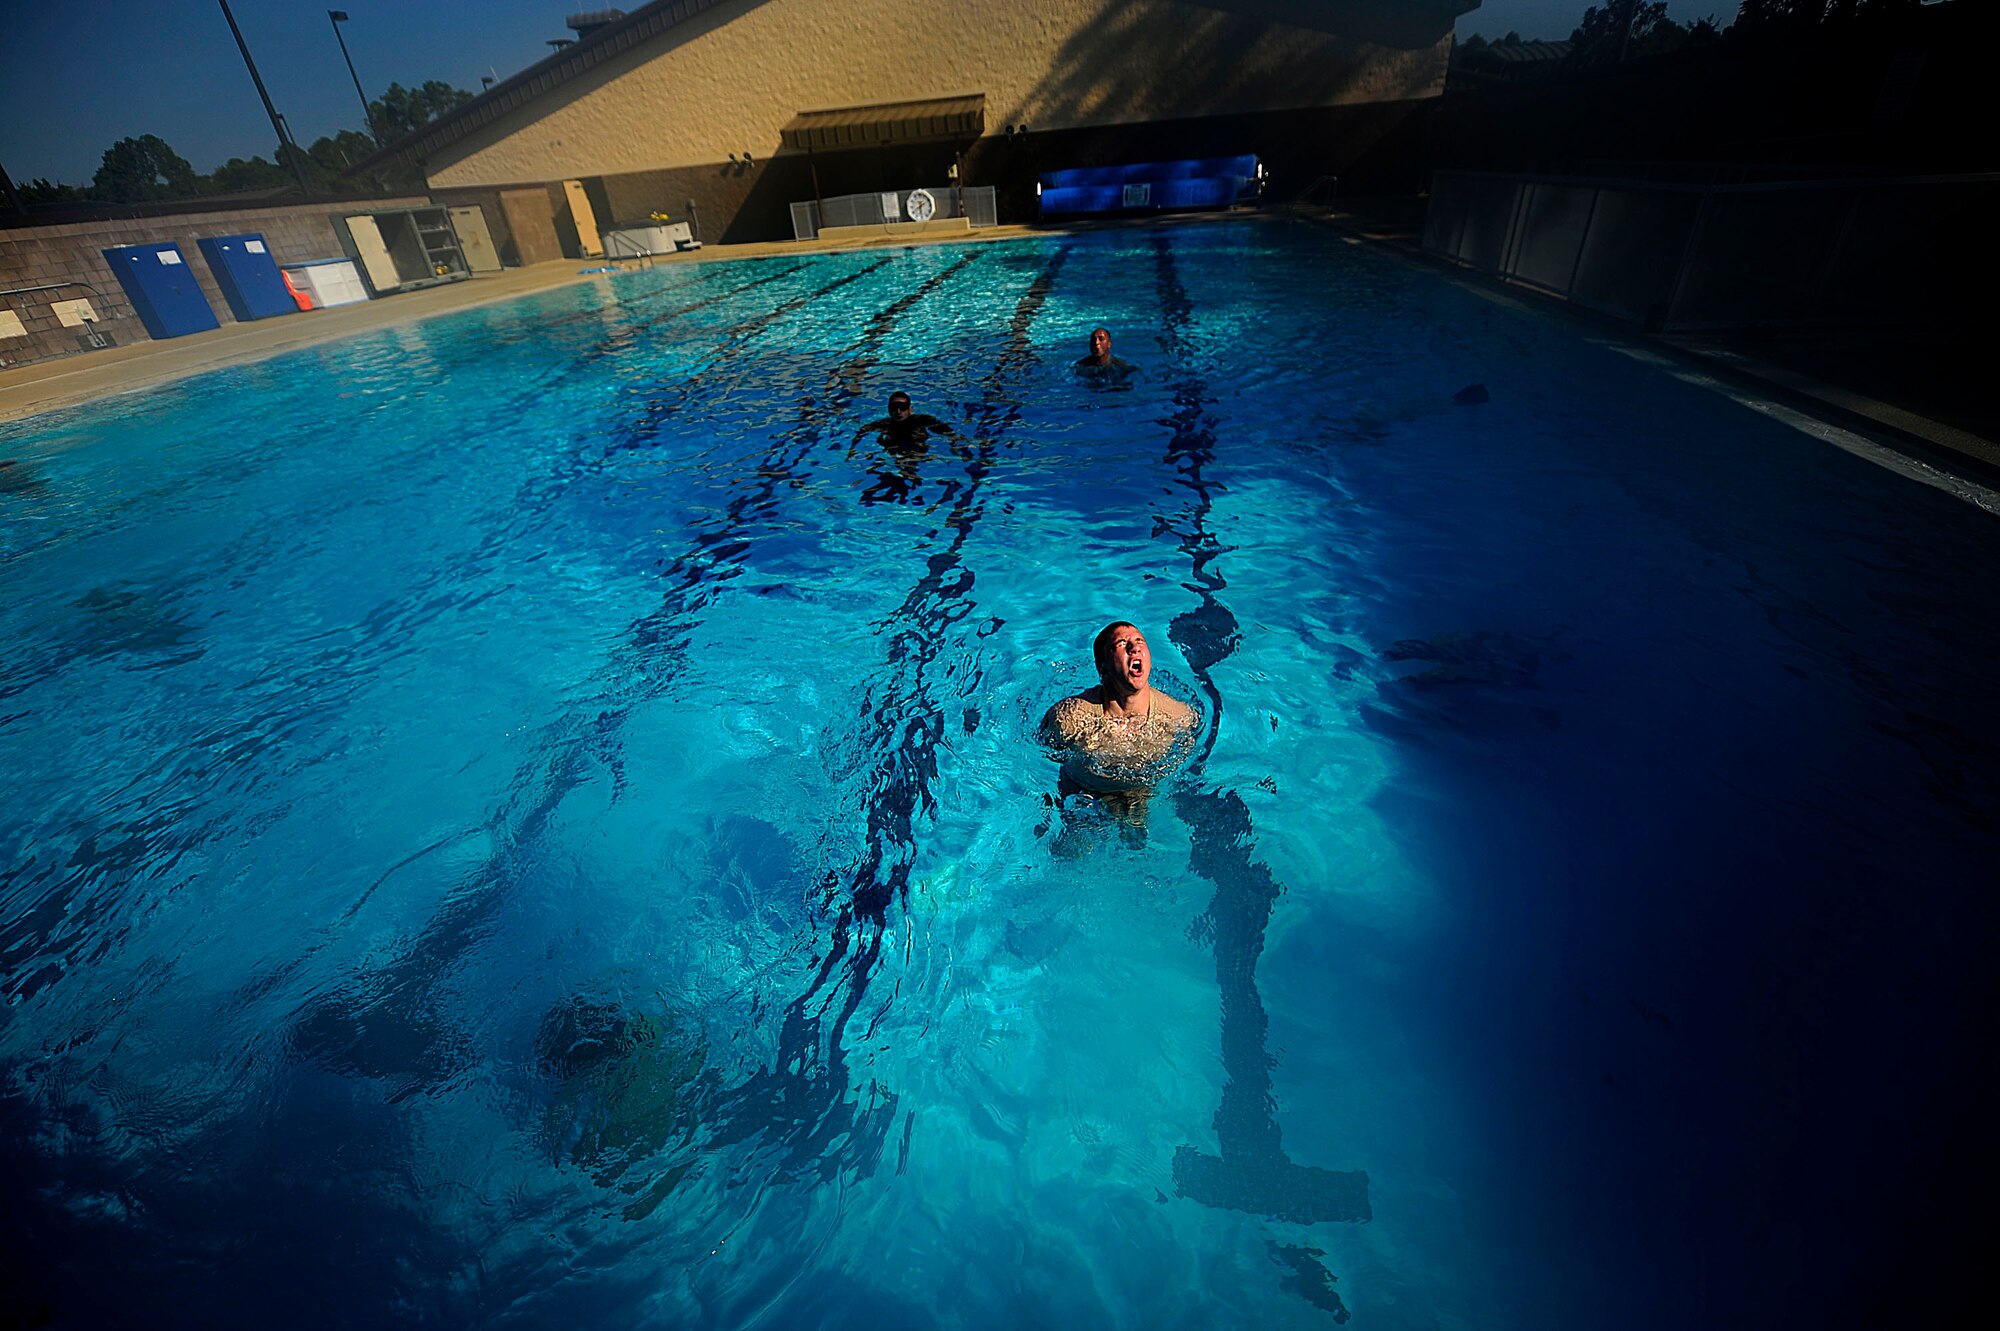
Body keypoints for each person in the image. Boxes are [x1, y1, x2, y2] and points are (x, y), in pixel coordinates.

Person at [1040, 621, 1195, 823]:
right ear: (1102, 666)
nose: (1135, 647)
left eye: (1140, 641)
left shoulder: (1179, 716)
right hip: (1081, 790)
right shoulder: (1069, 718)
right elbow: (1044, 753)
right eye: (1122, 644)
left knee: (1137, 845)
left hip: (1139, 793)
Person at [1073, 327, 1137, 382]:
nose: (1096, 342)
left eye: (1101, 339)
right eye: (1093, 340)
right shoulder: (1079, 367)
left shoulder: (1124, 367)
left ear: (1109, 345)